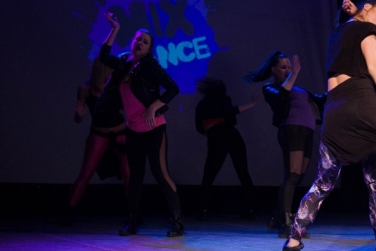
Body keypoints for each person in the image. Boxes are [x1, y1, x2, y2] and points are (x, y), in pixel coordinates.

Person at [278, 0, 376, 251]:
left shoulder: (338, 32)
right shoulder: (366, 30)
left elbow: (349, 31)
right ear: (367, 7)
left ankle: (291, 247)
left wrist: (350, 13)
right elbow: (374, 66)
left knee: (322, 183)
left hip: (335, 110)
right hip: (362, 106)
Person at [98, 12, 184, 237]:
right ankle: (132, 221)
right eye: (138, 39)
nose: (140, 43)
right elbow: (104, 56)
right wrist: (115, 29)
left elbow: (173, 88)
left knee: (160, 173)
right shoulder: (124, 63)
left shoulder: (149, 65)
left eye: (145, 42)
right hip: (134, 129)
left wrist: (155, 106)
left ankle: (177, 221)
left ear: (148, 50)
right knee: (135, 176)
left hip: (154, 128)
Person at [242, 51, 326, 238]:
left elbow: (320, 98)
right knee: (293, 175)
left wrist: (340, 86)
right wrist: (293, 74)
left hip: (308, 132)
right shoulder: (270, 87)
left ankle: (276, 217)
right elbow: (280, 96)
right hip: (292, 130)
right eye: (283, 67)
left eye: (289, 67)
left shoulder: (298, 89)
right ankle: (287, 224)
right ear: (273, 69)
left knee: (298, 177)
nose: (288, 70)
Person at [62, 56, 130, 225]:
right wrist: (79, 115)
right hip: (99, 134)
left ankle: (133, 213)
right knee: (86, 172)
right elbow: (78, 117)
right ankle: (69, 212)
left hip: (120, 133)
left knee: (129, 174)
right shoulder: (85, 88)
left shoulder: (116, 85)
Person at [194, 76, 260, 220]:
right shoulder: (224, 99)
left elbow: (199, 127)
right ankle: (250, 209)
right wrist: (251, 104)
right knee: (243, 172)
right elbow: (230, 116)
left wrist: (211, 131)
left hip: (217, 136)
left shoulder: (202, 104)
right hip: (231, 135)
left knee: (209, 174)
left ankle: (203, 209)